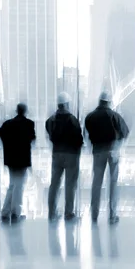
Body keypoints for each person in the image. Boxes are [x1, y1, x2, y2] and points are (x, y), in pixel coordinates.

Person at [85, 91, 129, 224]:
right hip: (113, 150)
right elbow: (125, 132)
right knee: (113, 183)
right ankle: (112, 215)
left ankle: (94, 215)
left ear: (99, 102)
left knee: (96, 183)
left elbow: (86, 133)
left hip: (97, 151)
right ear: (109, 102)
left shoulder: (90, 117)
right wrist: (118, 143)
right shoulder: (114, 115)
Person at [46, 92, 83, 222]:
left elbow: (49, 132)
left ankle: (52, 213)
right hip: (71, 155)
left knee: (54, 184)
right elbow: (79, 138)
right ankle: (68, 214)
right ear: (67, 104)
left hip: (56, 154)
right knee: (70, 184)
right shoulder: (72, 119)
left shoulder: (51, 119)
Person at [0, 103, 36, 223]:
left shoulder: (7, 123)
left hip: (10, 159)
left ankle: (5, 212)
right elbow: (32, 140)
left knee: (12, 185)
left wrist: (5, 147)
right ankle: (15, 213)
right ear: (26, 111)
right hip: (22, 159)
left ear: (16, 110)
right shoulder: (29, 124)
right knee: (19, 186)